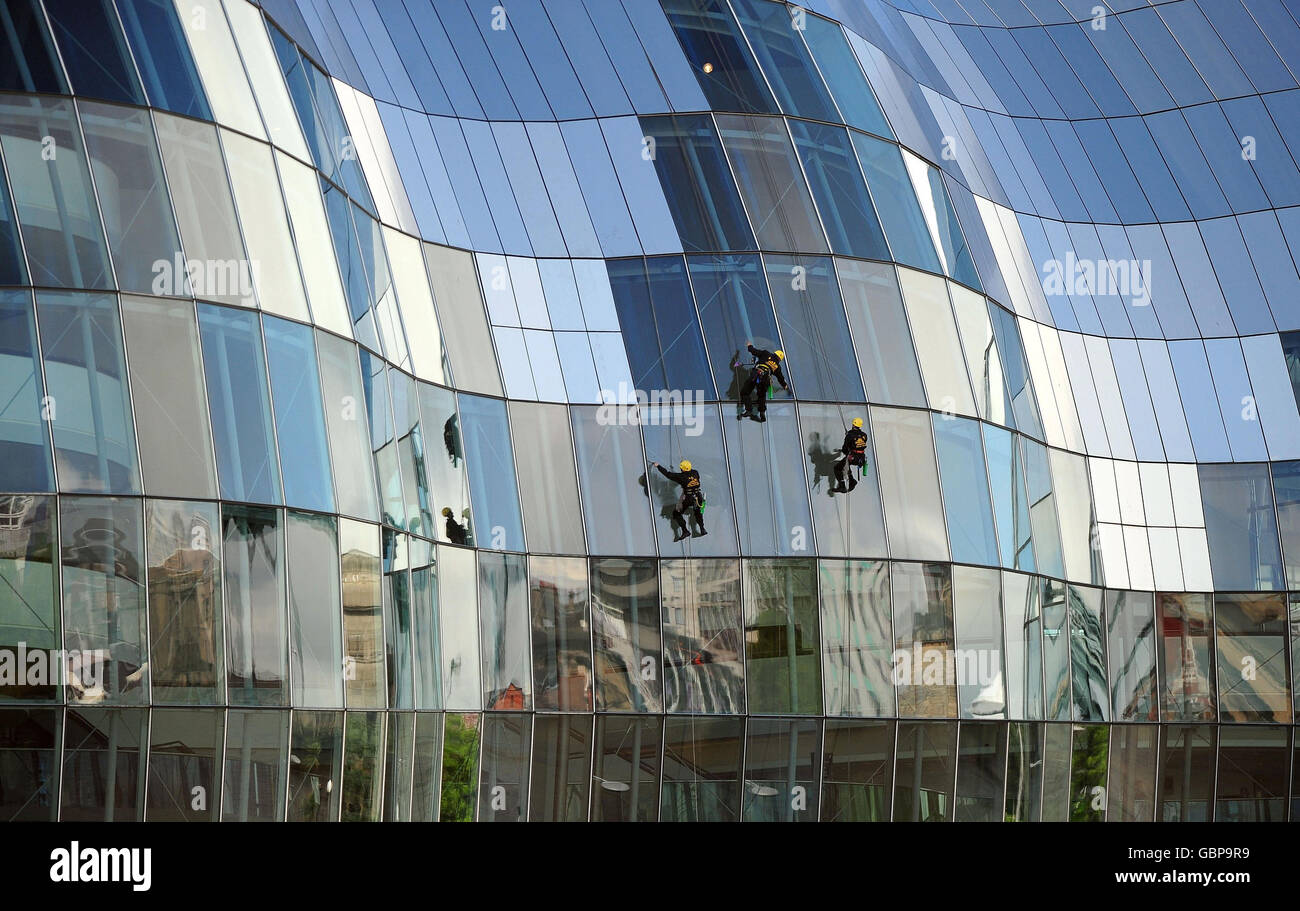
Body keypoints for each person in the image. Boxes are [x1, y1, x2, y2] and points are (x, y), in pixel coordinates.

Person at [651, 459, 707, 539]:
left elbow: (668, 474)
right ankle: (702, 529)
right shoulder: (695, 472)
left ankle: (685, 531)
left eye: (681, 468)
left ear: (682, 469)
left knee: (676, 513)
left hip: (689, 498)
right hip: (698, 497)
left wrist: (658, 466)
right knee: (698, 513)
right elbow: (691, 478)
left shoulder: (681, 477)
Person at [739, 342, 788, 422]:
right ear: (779, 359)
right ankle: (762, 412)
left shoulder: (766, 354)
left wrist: (749, 346)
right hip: (765, 379)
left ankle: (749, 410)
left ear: (774, 353)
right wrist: (785, 386)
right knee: (761, 396)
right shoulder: (777, 367)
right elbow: (780, 378)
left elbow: (754, 351)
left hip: (757, 374)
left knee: (745, 392)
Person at [833, 417, 868, 492]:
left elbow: (844, 449)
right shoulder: (864, 435)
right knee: (846, 465)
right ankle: (852, 481)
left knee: (837, 468)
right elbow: (858, 444)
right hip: (861, 458)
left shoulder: (849, 435)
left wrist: (847, 438)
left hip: (853, 457)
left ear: (853, 424)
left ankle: (842, 486)